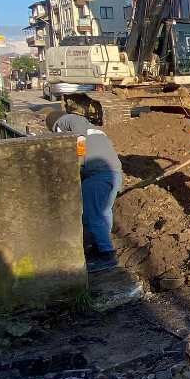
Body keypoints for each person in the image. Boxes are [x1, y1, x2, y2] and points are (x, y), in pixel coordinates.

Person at [45, 110, 123, 273]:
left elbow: (78, 140)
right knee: (104, 213)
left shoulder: (66, 122)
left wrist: (78, 165)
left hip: (97, 175)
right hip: (114, 172)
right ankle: (100, 247)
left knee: (91, 215)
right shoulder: (92, 127)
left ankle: (107, 255)